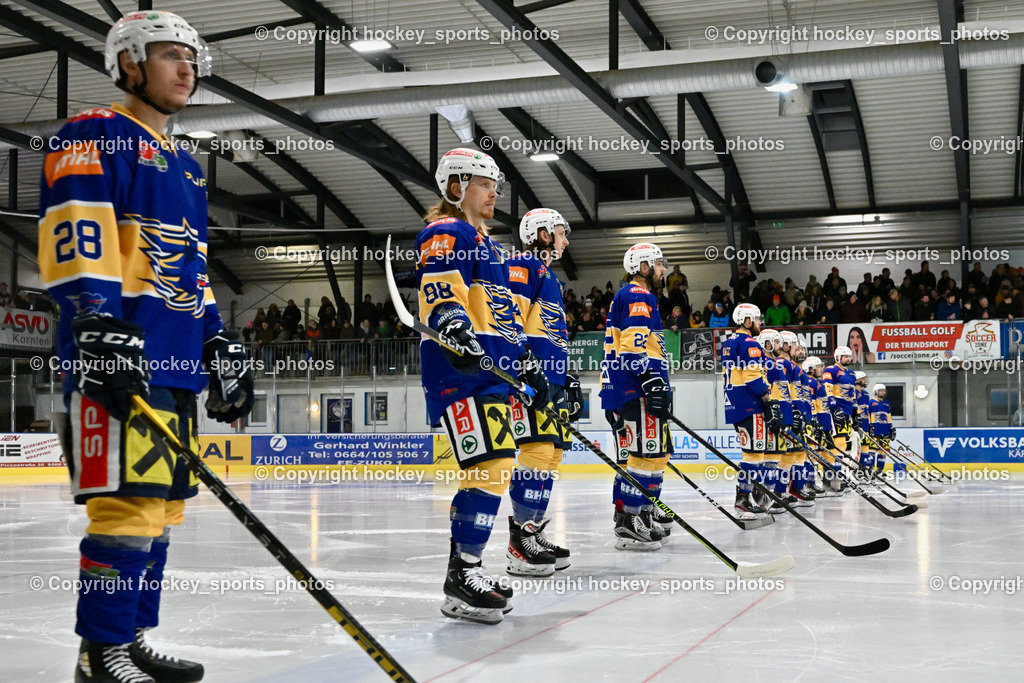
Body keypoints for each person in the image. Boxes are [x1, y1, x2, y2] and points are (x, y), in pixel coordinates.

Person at [39, 11, 254, 682]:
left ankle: (128, 639)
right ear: (129, 64)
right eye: (169, 56)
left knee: (160, 511)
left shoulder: (187, 169)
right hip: (118, 360)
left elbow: (191, 268)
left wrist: (216, 340)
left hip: (173, 366)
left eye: (192, 57)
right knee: (124, 509)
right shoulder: (92, 135)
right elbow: (76, 234)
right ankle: (99, 655)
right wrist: (94, 323)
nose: (186, 68)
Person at [416, 147, 547, 625]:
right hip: (461, 374)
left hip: (492, 375)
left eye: (495, 184)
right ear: (457, 188)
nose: (495, 192)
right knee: (488, 464)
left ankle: (466, 568)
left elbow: (504, 319)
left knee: (494, 467)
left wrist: (525, 364)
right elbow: (440, 291)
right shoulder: (445, 231)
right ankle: (461, 573)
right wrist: (452, 324)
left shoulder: (486, 244)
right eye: (485, 183)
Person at [505, 208, 582, 576]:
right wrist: (523, 367)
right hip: (531, 377)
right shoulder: (523, 264)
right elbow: (510, 321)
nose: (566, 240)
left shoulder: (550, 276)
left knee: (551, 454)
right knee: (536, 450)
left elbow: (553, 334)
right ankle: (519, 543)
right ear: (541, 233)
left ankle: (532, 532)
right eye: (560, 232)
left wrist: (569, 378)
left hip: (552, 377)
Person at [602, 243, 674, 550]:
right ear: (643, 267)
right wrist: (651, 380)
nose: (663, 270)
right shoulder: (638, 295)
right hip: (636, 388)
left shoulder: (640, 297)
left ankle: (640, 513)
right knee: (644, 455)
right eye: (658, 264)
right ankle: (631, 519)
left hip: (634, 386)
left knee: (652, 454)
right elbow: (633, 347)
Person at [720, 303, 770, 519]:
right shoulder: (750, 343)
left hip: (734, 404)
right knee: (754, 453)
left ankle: (745, 498)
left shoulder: (728, 342)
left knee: (750, 452)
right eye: (757, 319)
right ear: (747, 321)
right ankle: (743, 499)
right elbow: (753, 378)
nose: (760, 324)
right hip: (750, 405)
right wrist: (769, 399)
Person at [821, 346, 857, 492]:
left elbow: (852, 394)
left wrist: (856, 413)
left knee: (843, 446)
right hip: (835, 411)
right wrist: (834, 407)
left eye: (849, 356)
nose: (848, 359)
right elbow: (827, 389)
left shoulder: (852, 373)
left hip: (846, 412)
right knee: (837, 442)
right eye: (845, 356)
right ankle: (832, 477)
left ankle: (838, 475)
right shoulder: (831, 370)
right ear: (837, 357)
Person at [868, 384, 893, 475]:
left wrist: (891, 428)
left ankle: (879, 469)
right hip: (875, 430)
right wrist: (869, 427)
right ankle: (869, 468)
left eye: (884, 390)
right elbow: (868, 416)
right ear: (876, 391)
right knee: (872, 450)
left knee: (883, 451)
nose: (883, 392)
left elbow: (889, 416)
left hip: (885, 430)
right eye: (880, 390)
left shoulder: (887, 403)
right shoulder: (870, 402)